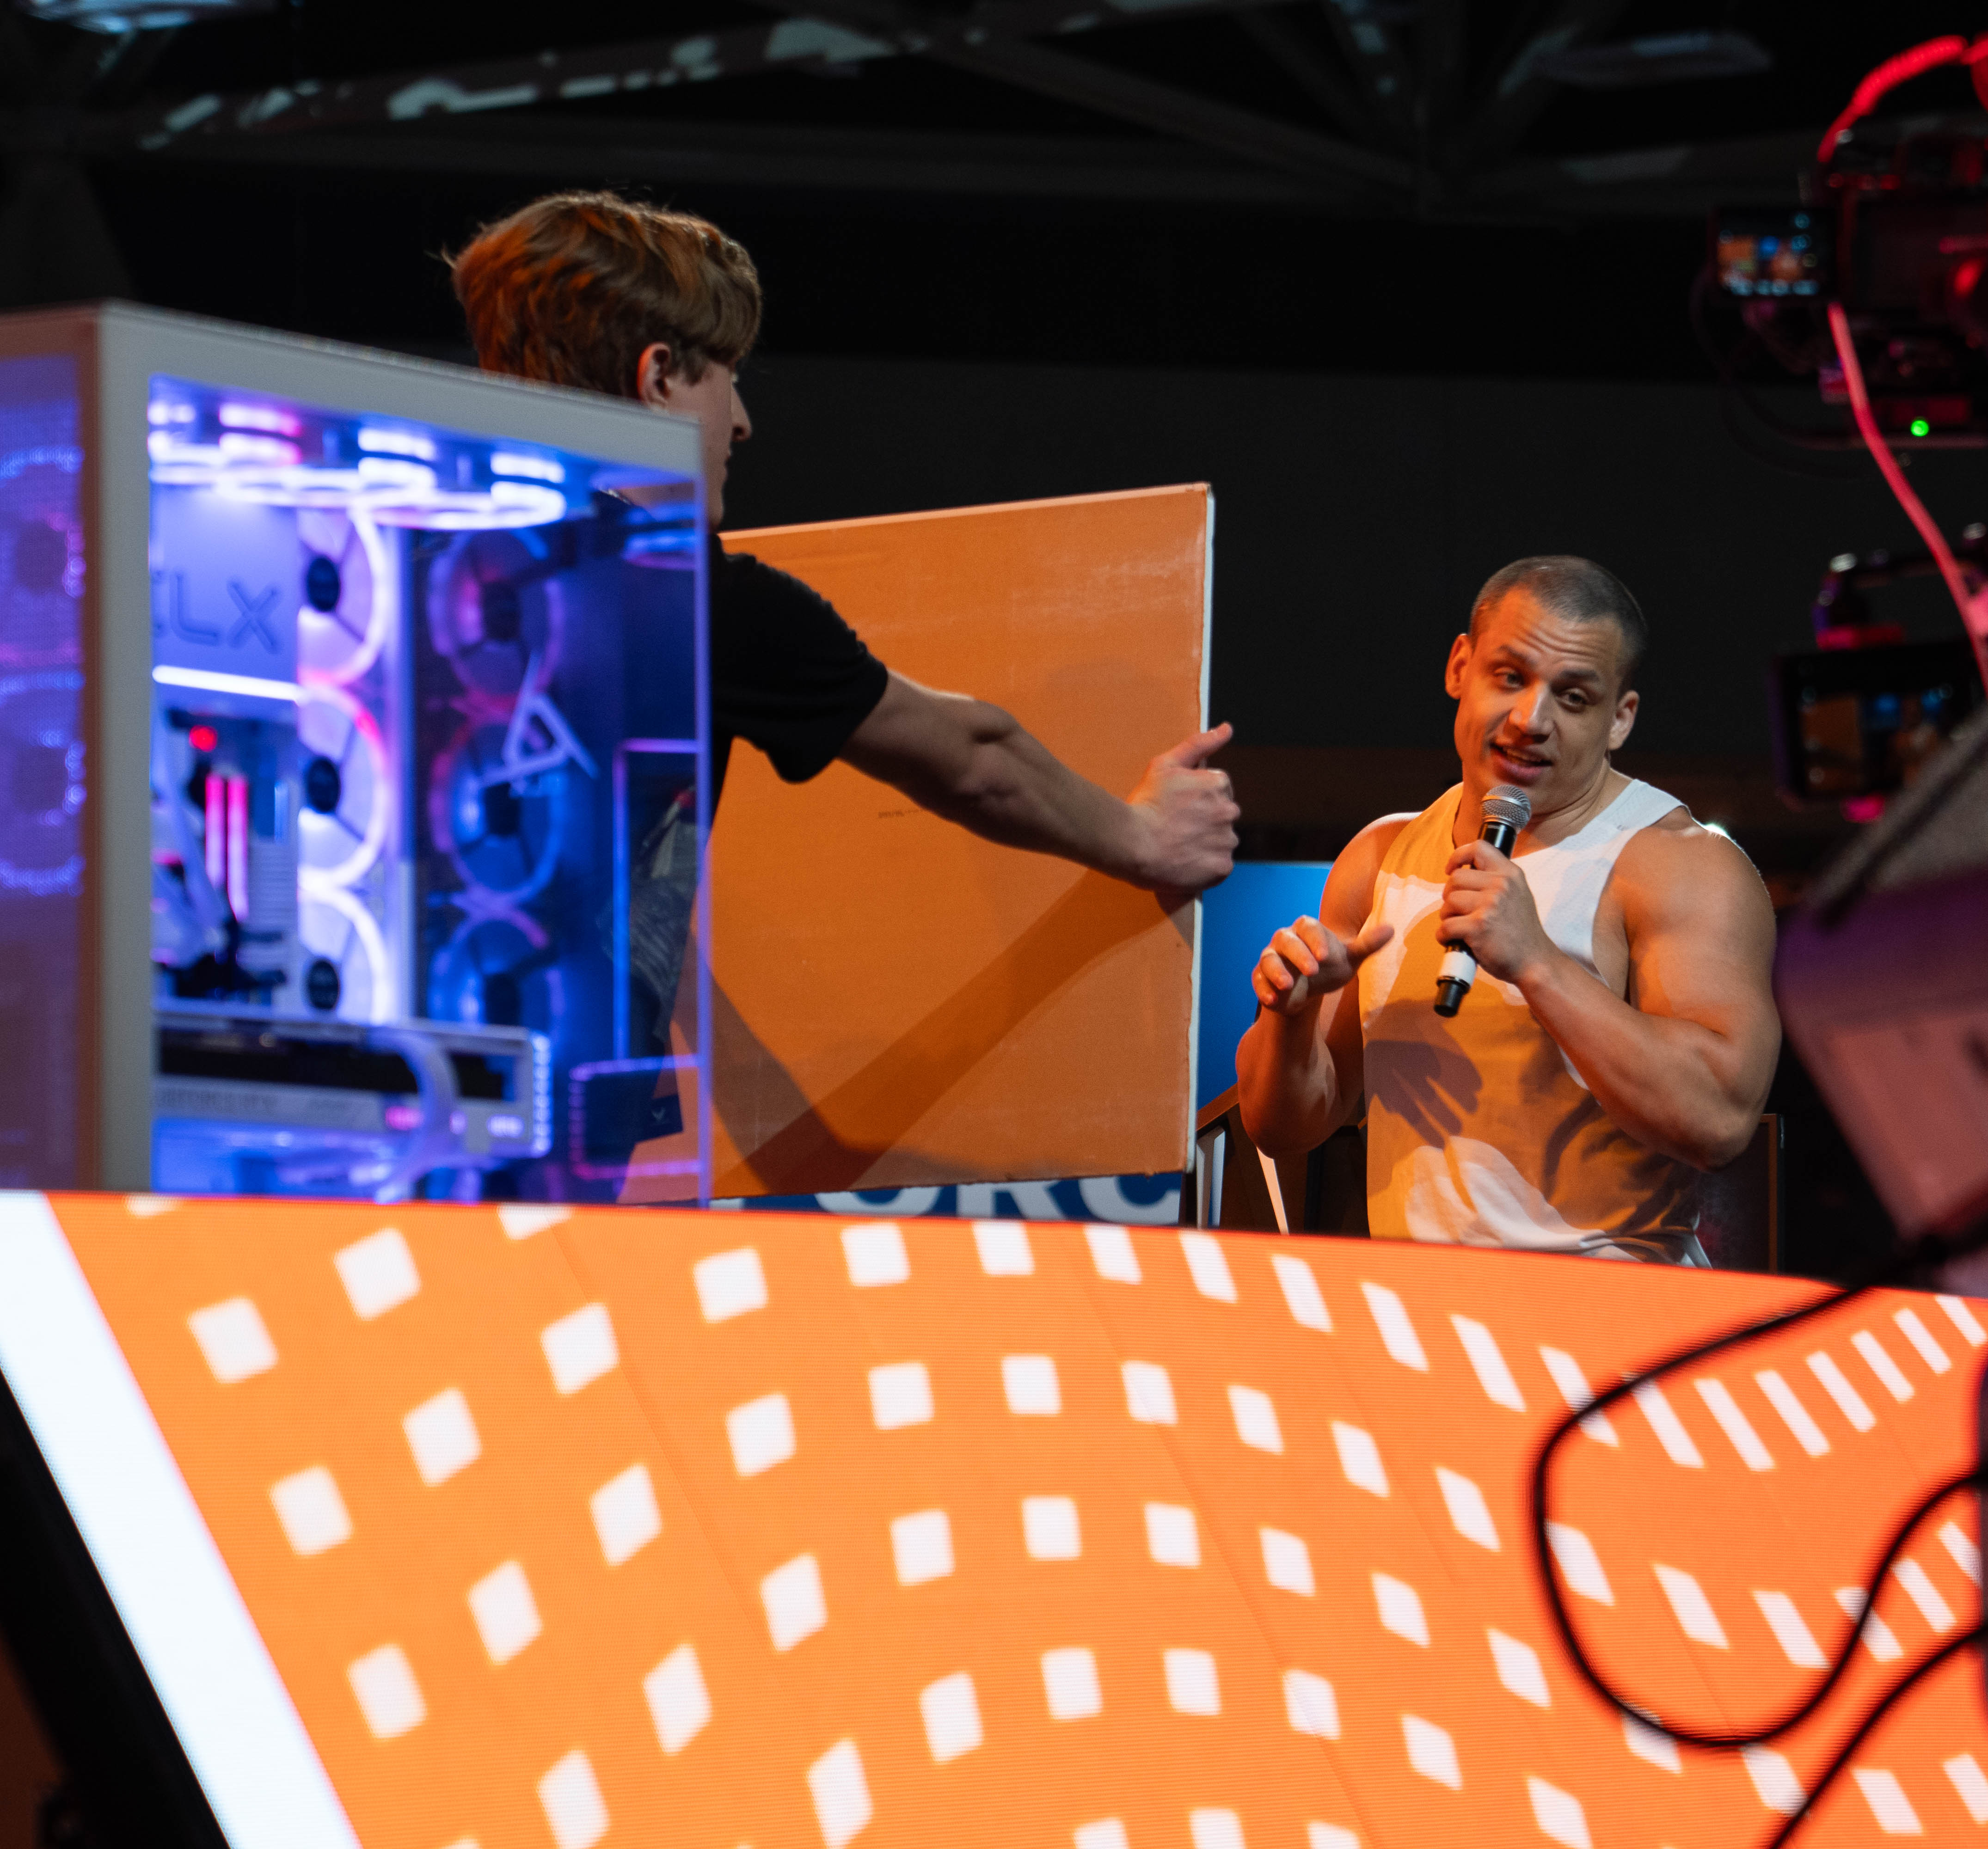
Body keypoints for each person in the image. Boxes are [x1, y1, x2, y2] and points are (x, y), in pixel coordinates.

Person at [447, 191, 1239, 889]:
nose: (743, 425)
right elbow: (975, 761)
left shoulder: (417, 564)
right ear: (657, 379)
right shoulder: (689, 600)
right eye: (727, 378)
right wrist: (1143, 835)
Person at [1233, 557, 1779, 1258]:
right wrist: (1293, 1016)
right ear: (1460, 666)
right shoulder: (1379, 855)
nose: (1531, 720)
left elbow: (1720, 1120)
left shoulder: (1682, 865)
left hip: (1610, 1323)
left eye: (1574, 698)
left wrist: (1539, 964)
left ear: (1621, 719)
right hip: (1430, 1321)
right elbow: (1287, 1128)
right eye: (1510, 678)